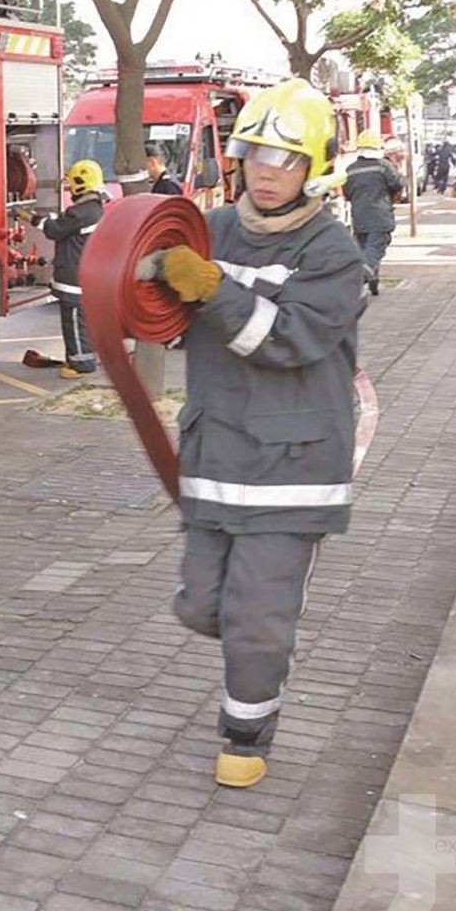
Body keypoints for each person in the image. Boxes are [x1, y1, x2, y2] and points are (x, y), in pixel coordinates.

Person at [144, 79, 363, 789]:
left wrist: (209, 288)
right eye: (255, 153)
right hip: (215, 454)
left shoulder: (331, 252)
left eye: (285, 158)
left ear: (314, 167)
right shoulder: (212, 228)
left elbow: (287, 337)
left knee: (256, 619)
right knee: (202, 604)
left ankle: (245, 732)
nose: (266, 170)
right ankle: (246, 637)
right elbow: (168, 308)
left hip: (292, 467)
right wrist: (140, 282)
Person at [18, 160, 106, 379]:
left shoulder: (81, 212)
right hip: (84, 275)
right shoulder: (93, 209)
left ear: (80, 184)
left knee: (74, 321)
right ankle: (83, 356)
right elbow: (63, 223)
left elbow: (55, 229)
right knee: (81, 321)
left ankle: (80, 365)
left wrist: (27, 216)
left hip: (74, 278)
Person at [342, 129, 404, 296]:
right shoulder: (383, 166)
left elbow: (347, 194)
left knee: (364, 250)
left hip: (359, 218)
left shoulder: (350, 169)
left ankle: (373, 278)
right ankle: (359, 280)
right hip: (380, 216)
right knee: (375, 249)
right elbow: (398, 183)